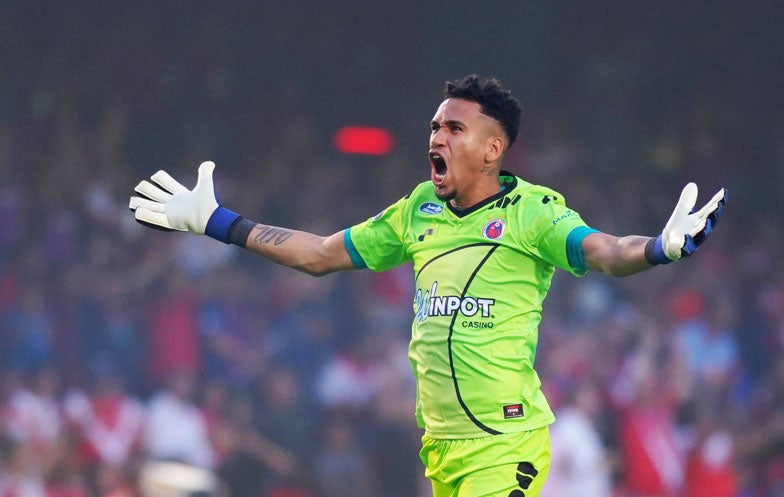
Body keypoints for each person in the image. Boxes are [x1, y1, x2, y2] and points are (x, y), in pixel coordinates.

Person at [129, 74, 726, 497]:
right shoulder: (419, 210)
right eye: (435, 126)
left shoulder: (535, 212)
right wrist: (218, 223)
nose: (436, 138)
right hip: (440, 447)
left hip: (505, 444)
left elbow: (605, 252)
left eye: (454, 128)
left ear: (493, 149)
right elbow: (319, 255)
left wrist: (657, 248)